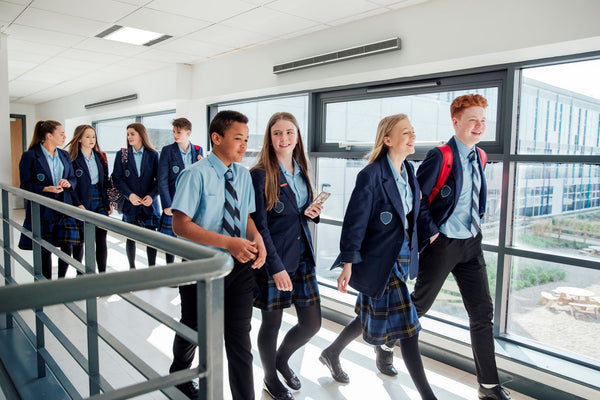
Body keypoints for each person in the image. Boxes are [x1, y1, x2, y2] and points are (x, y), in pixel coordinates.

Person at [319, 114, 437, 400]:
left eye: (413, 131)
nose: (412, 136)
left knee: (368, 314)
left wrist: (433, 233)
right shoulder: (371, 175)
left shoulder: (408, 170)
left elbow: (416, 210)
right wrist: (348, 263)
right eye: (405, 132)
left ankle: (331, 352)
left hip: (402, 258)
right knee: (410, 330)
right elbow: (354, 223)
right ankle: (428, 396)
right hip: (379, 261)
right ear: (387, 140)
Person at [412, 94, 511, 400]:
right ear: (456, 121)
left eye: (483, 120)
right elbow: (417, 199)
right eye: (473, 119)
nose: (479, 126)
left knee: (482, 312)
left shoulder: (479, 156)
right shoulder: (440, 156)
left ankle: (489, 386)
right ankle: (385, 344)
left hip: (471, 244)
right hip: (443, 244)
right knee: (418, 307)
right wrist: (432, 236)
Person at [168, 110, 266, 400]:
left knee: (239, 340)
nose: (244, 145)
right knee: (194, 327)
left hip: (239, 267)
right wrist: (227, 242)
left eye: (246, 139)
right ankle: (179, 374)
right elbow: (180, 225)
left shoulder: (243, 175)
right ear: (216, 138)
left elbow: (246, 217)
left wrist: (256, 237)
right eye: (238, 138)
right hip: (201, 267)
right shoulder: (194, 174)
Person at [250, 112, 322, 400]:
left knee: (312, 323)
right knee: (272, 323)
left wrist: (311, 214)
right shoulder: (260, 174)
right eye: (277, 133)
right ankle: (270, 377)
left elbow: (297, 211)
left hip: (302, 254)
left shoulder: (301, 169)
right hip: (275, 258)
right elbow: (259, 227)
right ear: (270, 137)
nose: (284, 139)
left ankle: (281, 360)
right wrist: (275, 267)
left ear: (297, 136)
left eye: (289, 133)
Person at [18, 120, 79, 279]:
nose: (65, 136)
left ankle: (60, 281)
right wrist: (46, 188)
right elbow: (25, 185)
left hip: (64, 207)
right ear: (48, 135)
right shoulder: (30, 156)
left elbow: (73, 178)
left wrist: (68, 183)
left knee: (67, 246)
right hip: (43, 210)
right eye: (61, 133)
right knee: (45, 250)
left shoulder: (64, 155)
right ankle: (46, 284)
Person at [111, 123, 160, 269]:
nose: (129, 137)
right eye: (128, 134)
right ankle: (132, 269)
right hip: (130, 204)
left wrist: (152, 196)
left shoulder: (153, 155)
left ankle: (152, 269)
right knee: (130, 238)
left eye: (132, 133)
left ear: (141, 134)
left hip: (149, 204)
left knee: (152, 239)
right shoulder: (123, 154)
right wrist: (129, 195)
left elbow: (159, 180)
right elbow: (117, 179)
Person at [66, 125, 112, 273]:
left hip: (99, 199)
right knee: (80, 241)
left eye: (93, 136)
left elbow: (105, 182)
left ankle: (102, 274)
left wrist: (108, 202)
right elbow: (70, 185)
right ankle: (80, 274)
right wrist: (77, 203)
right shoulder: (71, 158)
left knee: (101, 238)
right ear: (79, 138)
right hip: (81, 201)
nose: (92, 139)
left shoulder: (101, 156)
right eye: (87, 136)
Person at [157, 117, 203, 263]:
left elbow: (201, 177)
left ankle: (187, 272)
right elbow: (162, 179)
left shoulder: (198, 150)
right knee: (170, 240)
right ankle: (171, 273)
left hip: (193, 201)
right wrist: (166, 204)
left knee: (189, 238)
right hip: (174, 201)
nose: (175, 135)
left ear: (188, 133)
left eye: (179, 132)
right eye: (174, 132)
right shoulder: (167, 151)